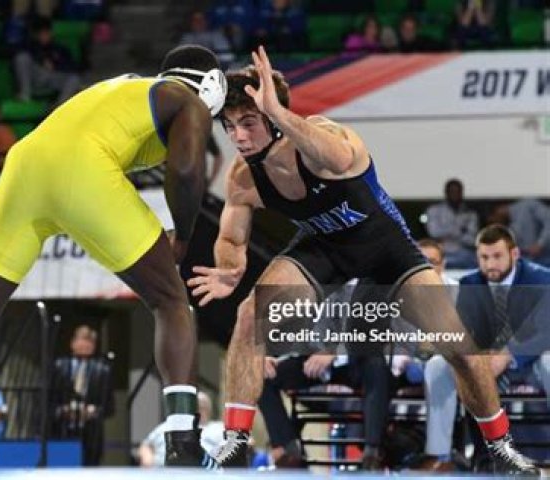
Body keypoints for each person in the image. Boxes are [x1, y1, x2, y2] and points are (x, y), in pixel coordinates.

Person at [0, 44, 226, 469]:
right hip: (83, 170)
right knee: (171, 301)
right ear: (211, 87)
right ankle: (183, 442)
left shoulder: (127, 88)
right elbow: (186, 171)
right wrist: (183, 235)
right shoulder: (188, 101)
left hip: (25, 164)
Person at [186, 46, 539, 474]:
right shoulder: (244, 176)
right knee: (249, 316)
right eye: (230, 126)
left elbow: (339, 159)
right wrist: (229, 266)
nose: (238, 137)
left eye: (249, 123)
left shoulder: (325, 136)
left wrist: (278, 112)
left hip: (387, 250)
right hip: (323, 247)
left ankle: (501, 447)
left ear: (276, 120)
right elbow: (230, 237)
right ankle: (235, 444)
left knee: (460, 347)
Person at [418, 225, 550, 472]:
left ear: (514, 254)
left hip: (528, 362)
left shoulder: (541, 280)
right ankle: (440, 456)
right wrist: (479, 357)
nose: (490, 264)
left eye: (497, 256)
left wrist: (508, 354)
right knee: (437, 366)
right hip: (486, 362)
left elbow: (546, 333)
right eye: (484, 257)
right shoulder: (470, 283)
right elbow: (465, 332)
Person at [53, 324, 114, 465]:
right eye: (81, 339)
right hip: (62, 431)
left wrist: (92, 411)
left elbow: (109, 407)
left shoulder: (102, 370)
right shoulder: (59, 366)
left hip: (91, 435)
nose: (84, 344)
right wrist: (62, 411)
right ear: (72, 343)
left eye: (89, 341)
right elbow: (48, 401)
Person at [138, 391, 224, 467]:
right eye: (196, 406)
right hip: (161, 472)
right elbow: (146, 445)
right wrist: (148, 462)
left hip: (201, 472)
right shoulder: (168, 425)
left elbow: (226, 453)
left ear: (209, 410)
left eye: (203, 407)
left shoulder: (218, 428)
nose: (199, 410)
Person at [13, 17, 81, 104]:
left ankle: (59, 106)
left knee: (74, 79)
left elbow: (72, 67)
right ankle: (25, 95)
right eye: (41, 34)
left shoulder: (59, 48)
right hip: (36, 77)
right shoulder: (29, 46)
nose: (44, 36)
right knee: (22, 58)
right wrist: (41, 60)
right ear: (36, 35)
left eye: (46, 33)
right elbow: (17, 53)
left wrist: (55, 65)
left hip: (52, 78)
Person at [425, 179, 479, 269]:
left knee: (476, 260)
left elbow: (472, 239)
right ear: (446, 193)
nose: (455, 194)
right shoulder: (434, 210)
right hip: (442, 251)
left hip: (463, 254)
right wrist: (459, 231)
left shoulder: (470, 213)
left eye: (457, 192)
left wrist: (448, 233)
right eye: (452, 191)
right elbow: (434, 232)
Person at [489, 198, 550, 267]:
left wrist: (540, 244)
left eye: (495, 218)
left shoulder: (528, 205)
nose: (496, 222)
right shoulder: (509, 226)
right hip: (534, 261)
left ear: (499, 209)